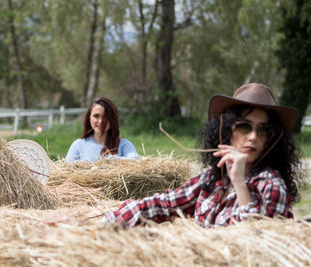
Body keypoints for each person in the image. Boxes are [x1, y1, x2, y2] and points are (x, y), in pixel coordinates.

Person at [102, 83, 303, 228]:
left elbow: (256, 241)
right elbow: (164, 204)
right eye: (244, 126)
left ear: (271, 139)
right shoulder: (212, 179)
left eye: (263, 130)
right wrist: (101, 224)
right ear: (226, 131)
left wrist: (240, 183)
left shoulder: (272, 185)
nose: (253, 137)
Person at [65, 97, 139, 163]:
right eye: (96, 116)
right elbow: (67, 168)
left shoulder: (124, 145)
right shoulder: (78, 145)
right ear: (89, 118)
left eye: (105, 117)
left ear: (112, 120)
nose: (100, 121)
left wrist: (111, 160)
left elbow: (135, 161)